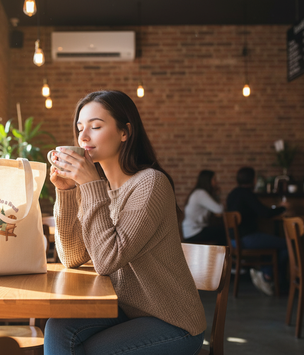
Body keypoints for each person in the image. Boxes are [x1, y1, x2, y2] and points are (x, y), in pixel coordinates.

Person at [44, 90, 206, 355]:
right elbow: (72, 257)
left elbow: (107, 261)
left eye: (95, 127)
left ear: (125, 132)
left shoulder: (150, 183)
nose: (83, 137)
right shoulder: (98, 188)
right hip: (126, 309)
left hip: (172, 321)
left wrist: (89, 184)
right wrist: (66, 192)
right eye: (80, 128)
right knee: (58, 327)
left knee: (88, 350)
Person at [226, 166, 288, 296]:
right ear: (254, 180)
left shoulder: (232, 193)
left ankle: (266, 273)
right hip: (246, 240)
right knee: (288, 245)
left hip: (233, 241)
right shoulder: (247, 194)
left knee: (271, 244)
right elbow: (265, 213)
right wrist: (282, 208)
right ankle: (267, 276)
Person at [182, 170, 227, 245]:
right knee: (224, 231)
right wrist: (217, 195)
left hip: (190, 231)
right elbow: (220, 209)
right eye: (214, 179)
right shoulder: (201, 193)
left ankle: (220, 255)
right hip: (194, 232)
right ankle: (225, 255)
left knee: (219, 230)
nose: (216, 182)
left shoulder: (198, 192)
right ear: (208, 180)